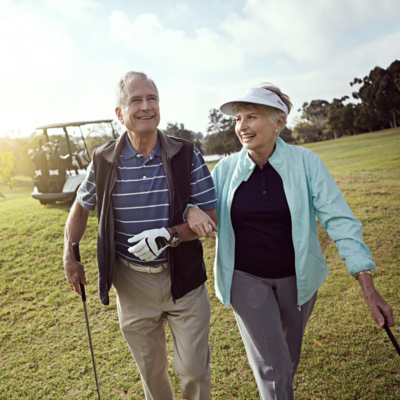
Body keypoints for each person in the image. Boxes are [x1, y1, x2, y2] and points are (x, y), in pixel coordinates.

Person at [186, 84, 394, 400]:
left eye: (251, 117)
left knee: (286, 360)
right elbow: (198, 206)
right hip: (245, 279)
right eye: (238, 118)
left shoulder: (306, 162)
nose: (241, 126)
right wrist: (190, 211)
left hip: (298, 281)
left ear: (278, 122)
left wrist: (367, 283)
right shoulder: (225, 169)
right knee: (274, 368)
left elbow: (339, 219)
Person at [63, 71, 218, 400]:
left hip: (184, 280)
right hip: (131, 284)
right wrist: (69, 252)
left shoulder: (186, 154)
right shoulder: (103, 160)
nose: (147, 107)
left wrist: (170, 234)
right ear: (120, 114)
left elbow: (212, 218)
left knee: (193, 369)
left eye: (152, 99)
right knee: (151, 373)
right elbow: (81, 205)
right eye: (136, 100)